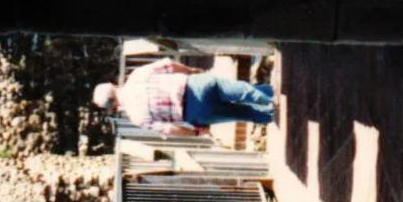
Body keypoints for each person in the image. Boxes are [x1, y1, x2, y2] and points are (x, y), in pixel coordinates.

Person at [92, 60, 275, 136]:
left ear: (112, 106)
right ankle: (271, 97)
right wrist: (190, 70)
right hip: (195, 86)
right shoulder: (136, 76)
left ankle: (270, 114)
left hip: (195, 113)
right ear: (113, 85)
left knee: (242, 114)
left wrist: (195, 132)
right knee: (241, 90)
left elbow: (169, 129)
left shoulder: (136, 117)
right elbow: (168, 65)